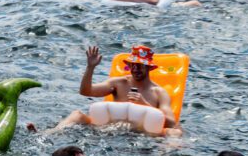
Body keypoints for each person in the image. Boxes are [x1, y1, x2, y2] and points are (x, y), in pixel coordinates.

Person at [51, 45, 182, 136]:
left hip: (142, 134)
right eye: (133, 65)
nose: (135, 69)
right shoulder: (119, 83)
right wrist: (90, 68)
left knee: (176, 132)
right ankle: (49, 134)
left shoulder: (158, 92)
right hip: (111, 130)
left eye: (140, 66)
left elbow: (171, 123)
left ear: (149, 68)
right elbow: (86, 91)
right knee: (77, 114)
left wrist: (145, 105)